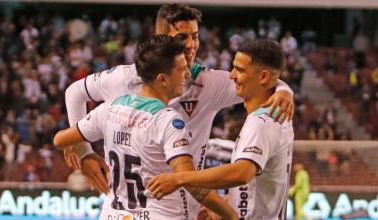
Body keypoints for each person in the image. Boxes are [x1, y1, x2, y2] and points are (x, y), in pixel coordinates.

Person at [64, 4, 294, 219]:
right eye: (182, 37)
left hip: (168, 209)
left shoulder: (208, 82)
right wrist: (84, 153)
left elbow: (261, 80)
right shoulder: (125, 78)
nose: (191, 45)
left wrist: (284, 91)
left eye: (195, 36)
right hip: (146, 209)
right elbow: (74, 93)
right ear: (161, 40)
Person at [54, 35, 238, 220]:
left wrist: (85, 154)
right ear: (162, 79)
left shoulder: (110, 108)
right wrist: (231, 215)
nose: (188, 75)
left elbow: (60, 139)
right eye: (182, 70)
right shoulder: (168, 121)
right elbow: (190, 182)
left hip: (113, 215)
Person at [148, 39, 295, 220]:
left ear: (263, 77)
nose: (232, 75)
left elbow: (242, 173)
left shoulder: (261, 122)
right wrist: (226, 204)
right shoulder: (275, 115)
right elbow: (257, 187)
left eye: (239, 70)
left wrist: (179, 178)